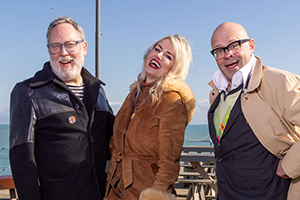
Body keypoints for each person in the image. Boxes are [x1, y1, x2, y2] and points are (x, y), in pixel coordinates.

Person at [9, 16, 114, 200]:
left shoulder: (99, 91)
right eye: (55, 46)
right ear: (48, 50)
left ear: (84, 47)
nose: (63, 52)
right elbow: (22, 162)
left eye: (70, 44)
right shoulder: (28, 93)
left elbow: (116, 140)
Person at [207, 22, 300, 200]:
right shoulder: (217, 93)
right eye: (219, 50)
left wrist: (290, 166)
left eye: (234, 45)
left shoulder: (280, 82)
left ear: (251, 45)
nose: (228, 54)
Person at [105, 35, 195, 200]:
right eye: (157, 49)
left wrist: (154, 197)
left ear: (175, 67)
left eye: (168, 56)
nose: (159, 55)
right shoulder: (133, 95)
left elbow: (169, 165)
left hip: (144, 192)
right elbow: (115, 145)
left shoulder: (172, 101)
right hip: (115, 191)